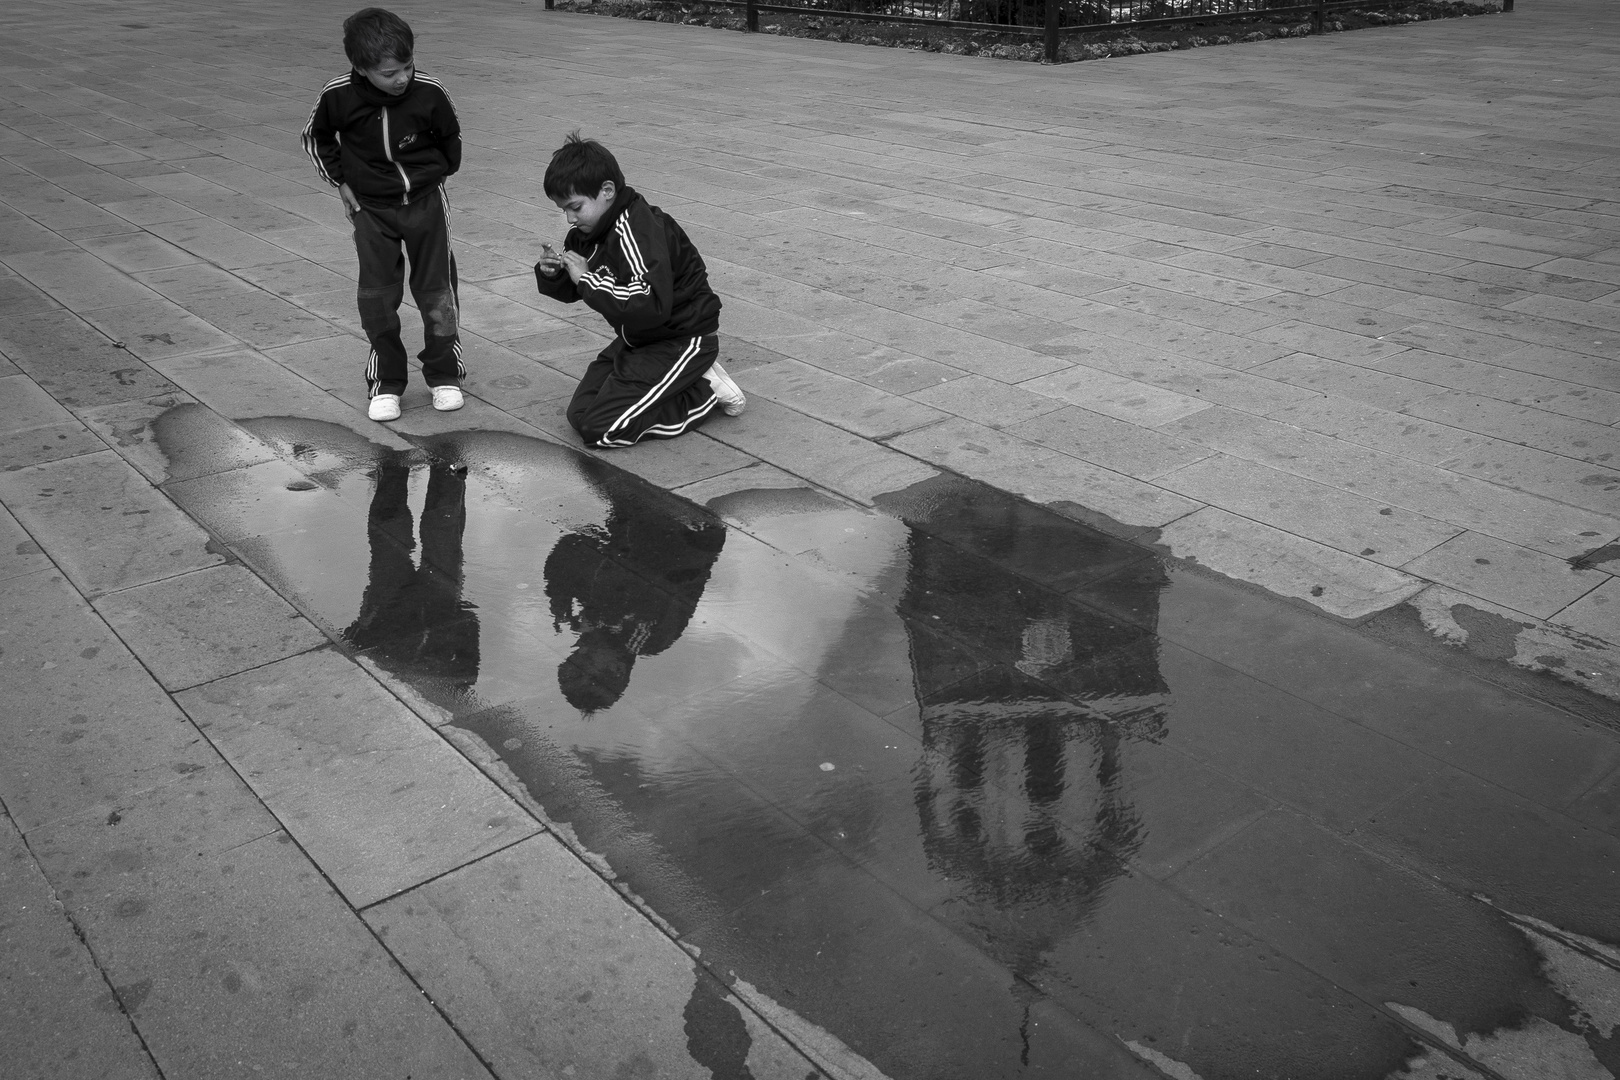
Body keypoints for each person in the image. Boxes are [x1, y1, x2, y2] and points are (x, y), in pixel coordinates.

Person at [300, 7, 465, 423]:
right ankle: (386, 382)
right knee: (377, 296)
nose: (402, 78)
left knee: (437, 290)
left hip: (426, 205)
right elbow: (316, 137)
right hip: (370, 210)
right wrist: (340, 180)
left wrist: (436, 175)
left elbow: (451, 137)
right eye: (390, 72)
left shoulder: (430, 92)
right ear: (361, 67)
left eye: (407, 66)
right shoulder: (337, 95)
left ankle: (444, 374)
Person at [534, 133, 745, 448]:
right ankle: (682, 381)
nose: (569, 218)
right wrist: (554, 273)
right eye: (563, 209)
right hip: (637, 339)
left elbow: (649, 302)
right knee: (579, 414)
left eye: (575, 207)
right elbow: (578, 286)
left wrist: (587, 280)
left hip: (680, 338)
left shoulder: (637, 230)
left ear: (607, 190)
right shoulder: (588, 229)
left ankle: (705, 394)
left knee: (601, 429)